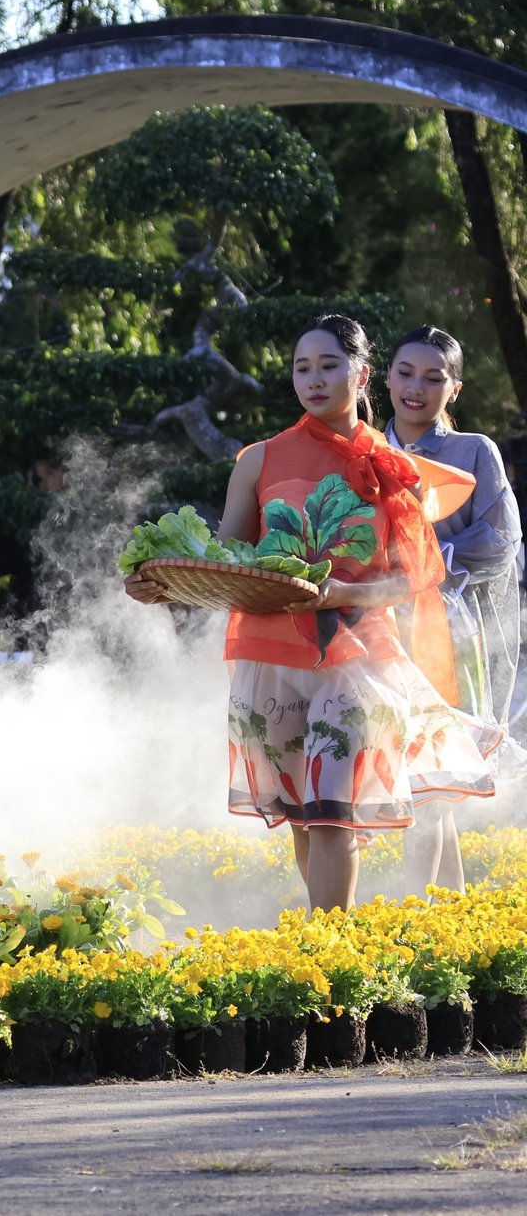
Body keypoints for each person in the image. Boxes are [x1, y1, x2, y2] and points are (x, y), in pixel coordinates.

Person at [125, 314, 500, 913]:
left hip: (359, 657)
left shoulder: (391, 466)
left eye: (329, 366)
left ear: (362, 373)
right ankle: (325, 941)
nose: (315, 379)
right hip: (269, 657)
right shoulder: (259, 460)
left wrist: (342, 597)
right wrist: (167, 582)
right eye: (303, 367)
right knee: (302, 817)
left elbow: (414, 575)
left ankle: (333, 944)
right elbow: (229, 561)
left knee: (330, 814)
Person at [383, 325, 522, 894]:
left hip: (447, 632)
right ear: (383, 377)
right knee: (416, 781)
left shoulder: (473, 451)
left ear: (455, 389)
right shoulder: (362, 447)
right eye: (406, 373)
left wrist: (421, 560)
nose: (417, 387)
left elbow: (500, 541)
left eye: (434, 377)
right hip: (372, 630)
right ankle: (452, 922)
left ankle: (419, 926)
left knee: (429, 783)